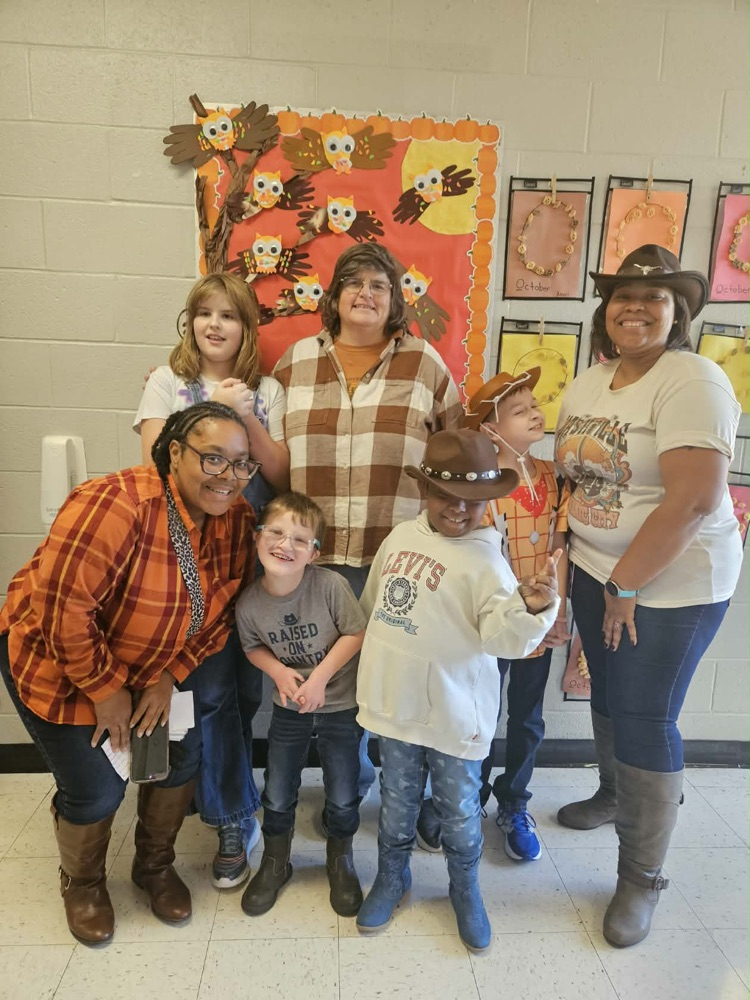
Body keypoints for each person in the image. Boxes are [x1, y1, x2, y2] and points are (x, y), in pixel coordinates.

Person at [0, 402, 257, 945]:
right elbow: (61, 610)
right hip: (59, 661)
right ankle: (84, 881)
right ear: (174, 452)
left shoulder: (238, 522)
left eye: (241, 465)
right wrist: (106, 689)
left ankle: (154, 866)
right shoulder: (115, 504)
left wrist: (168, 675)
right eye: (213, 459)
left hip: (151, 667)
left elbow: (225, 611)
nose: (229, 477)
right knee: (95, 790)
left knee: (183, 756)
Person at [554, 244, 743, 948]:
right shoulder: (590, 382)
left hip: (670, 583)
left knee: (644, 714)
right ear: (605, 313)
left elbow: (693, 501)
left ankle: (641, 877)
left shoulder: (692, 380)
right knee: (607, 692)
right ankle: (613, 794)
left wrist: (627, 584)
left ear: (679, 313)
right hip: (598, 568)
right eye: (623, 296)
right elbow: (572, 480)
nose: (636, 306)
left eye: (656, 297)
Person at [355, 429, 561, 951]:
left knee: (460, 809)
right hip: (394, 705)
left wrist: (532, 610)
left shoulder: (487, 560)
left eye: (472, 501)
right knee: (397, 798)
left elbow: (502, 638)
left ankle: (464, 888)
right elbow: (375, 607)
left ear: (488, 503)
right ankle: (392, 875)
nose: (457, 509)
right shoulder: (399, 539)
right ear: (424, 491)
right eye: (445, 495)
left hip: (454, 715)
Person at [273, 242, 463, 798]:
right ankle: (347, 790)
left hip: (400, 558)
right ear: (332, 297)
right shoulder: (295, 362)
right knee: (335, 689)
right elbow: (268, 451)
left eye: (379, 285)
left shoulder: (424, 363)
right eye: (354, 283)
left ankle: (416, 794)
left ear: (396, 299)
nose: (366, 293)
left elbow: (456, 454)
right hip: (317, 560)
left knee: (407, 678)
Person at [133, 272, 290, 889]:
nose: (216, 325)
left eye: (230, 315)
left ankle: (222, 788)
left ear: (247, 328)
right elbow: (153, 464)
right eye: (205, 313)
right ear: (190, 321)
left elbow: (279, 473)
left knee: (247, 686)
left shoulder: (269, 389)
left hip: (248, 558)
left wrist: (247, 417)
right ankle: (230, 816)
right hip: (183, 560)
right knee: (213, 689)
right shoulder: (164, 382)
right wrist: (212, 415)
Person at [417, 368, 570, 862]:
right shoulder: (475, 489)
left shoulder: (551, 476)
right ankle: (462, 799)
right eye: (520, 410)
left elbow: (561, 546)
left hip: (536, 621)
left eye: (535, 405)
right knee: (475, 711)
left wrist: (553, 614)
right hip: (487, 624)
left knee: (526, 717)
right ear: (490, 430)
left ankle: (514, 803)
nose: (535, 413)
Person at [234, 492, 367, 918]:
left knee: (344, 791)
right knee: (277, 788)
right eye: (275, 532)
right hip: (288, 708)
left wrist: (321, 678)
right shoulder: (250, 604)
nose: (285, 545)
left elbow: (355, 633)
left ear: (314, 553)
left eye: (299, 538)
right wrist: (276, 671)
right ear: (257, 539)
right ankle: (276, 861)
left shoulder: (330, 586)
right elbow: (253, 647)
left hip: (340, 705)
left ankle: (340, 860)